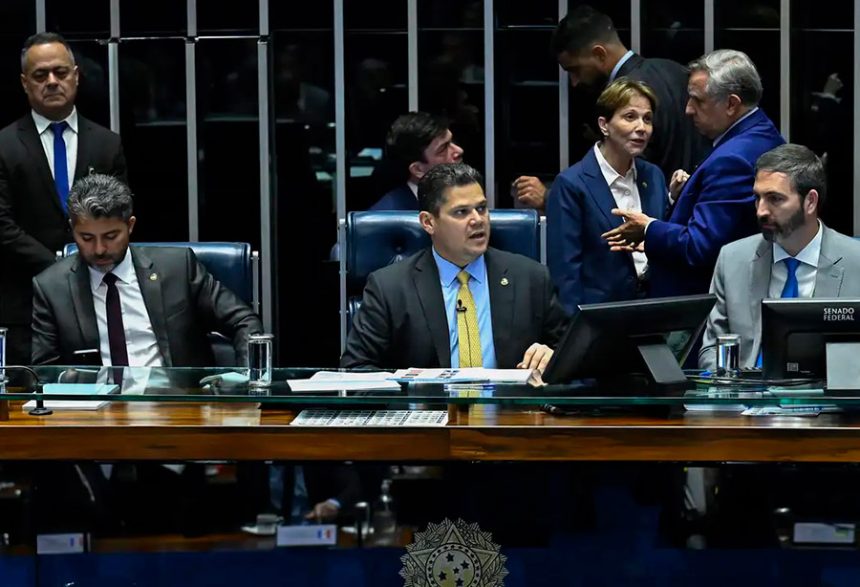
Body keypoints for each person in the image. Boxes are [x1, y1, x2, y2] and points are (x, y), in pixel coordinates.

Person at [342, 162, 568, 371]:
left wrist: (552, 357)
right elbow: (356, 368)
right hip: (427, 402)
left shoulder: (531, 278)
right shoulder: (390, 288)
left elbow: (570, 356)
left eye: (481, 208)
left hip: (510, 402)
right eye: (461, 212)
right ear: (428, 222)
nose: (477, 220)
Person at [603, 49, 785, 298]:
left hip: (703, 300)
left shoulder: (731, 159)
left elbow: (699, 247)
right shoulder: (762, 131)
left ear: (731, 104)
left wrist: (648, 228)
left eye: (698, 101)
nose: (688, 109)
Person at [30, 174, 261, 367]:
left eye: (111, 236)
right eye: (87, 238)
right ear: (72, 229)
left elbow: (244, 321)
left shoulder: (178, 268)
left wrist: (248, 381)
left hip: (177, 401)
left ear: (130, 225)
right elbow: (44, 371)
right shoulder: (51, 287)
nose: (99, 249)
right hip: (96, 405)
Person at [0, 32, 128, 365]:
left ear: (76, 76)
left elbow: (117, 216)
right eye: (40, 75)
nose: (52, 82)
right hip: (24, 303)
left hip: (97, 296)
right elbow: (2, 225)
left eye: (60, 72)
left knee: (96, 388)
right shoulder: (4, 145)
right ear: (25, 83)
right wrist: (61, 267)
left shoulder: (106, 144)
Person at [513, 5, 709, 209]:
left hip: (650, 215)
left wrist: (551, 197)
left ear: (599, 53)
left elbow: (621, 179)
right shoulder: (674, 70)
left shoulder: (626, 95)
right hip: (697, 205)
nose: (574, 81)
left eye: (575, 69)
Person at [699, 144, 860, 371]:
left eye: (775, 199)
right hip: (745, 391)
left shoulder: (855, 262)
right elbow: (710, 349)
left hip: (828, 392)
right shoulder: (733, 258)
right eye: (758, 198)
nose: (761, 211)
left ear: (810, 202)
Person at [546, 78, 668, 314]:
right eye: (630, 117)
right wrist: (577, 329)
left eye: (647, 119)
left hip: (653, 310)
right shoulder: (572, 184)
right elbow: (565, 273)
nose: (641, 127)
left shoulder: (653, 176)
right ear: (604, 125)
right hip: (600, 317)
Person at [368, 112, 463, 211]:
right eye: (443, 149)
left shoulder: (463, 195)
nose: (459, 150)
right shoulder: (389, 216)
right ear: (418, 169)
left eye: (452, 141)